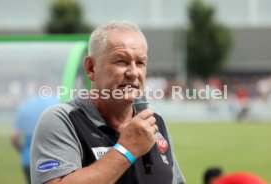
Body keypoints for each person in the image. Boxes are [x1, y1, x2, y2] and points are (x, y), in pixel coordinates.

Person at [30, 21, 185, 184]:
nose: (133, 72)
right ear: (91, 68)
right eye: (121, 61)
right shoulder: (63, 120)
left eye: (140, 63)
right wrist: (127, 149)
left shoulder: (154, 119)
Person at [11, 95, 59, 184]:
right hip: (54, 160)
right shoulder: (57, 103)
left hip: (28, 159)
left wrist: (22, 150)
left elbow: (14, 137)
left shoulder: (24, 106)